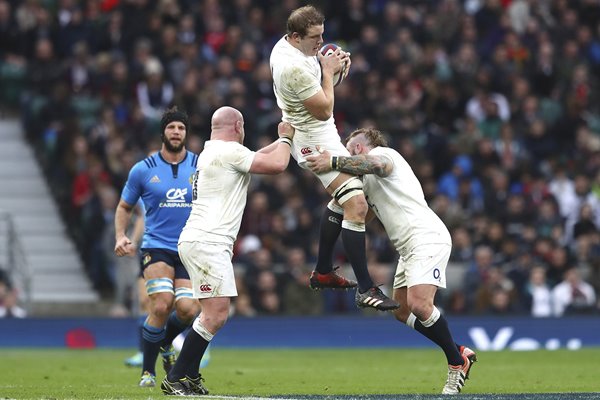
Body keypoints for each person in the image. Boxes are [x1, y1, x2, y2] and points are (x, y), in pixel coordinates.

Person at [306, 127, 477, 394]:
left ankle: (456, 363)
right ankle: (458, 351)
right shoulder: (368, 186)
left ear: (360, 148)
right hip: (408, 248)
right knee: (402, 311)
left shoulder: (384, 155)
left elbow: (376, 163)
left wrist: (334, 162)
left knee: (421, 305)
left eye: (351, 148)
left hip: (426, 237)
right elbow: (360, 218)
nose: (348, 152)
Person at [269, 5, 398, 311]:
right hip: (312, 140)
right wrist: (329, 71)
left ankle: (323, 270)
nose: (320, 42)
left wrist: (336, 71)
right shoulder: (291, 67)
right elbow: (325, 107)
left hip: (321, 131)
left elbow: (321, 90)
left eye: (322, 34)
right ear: (296, 36)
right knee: (356, 203)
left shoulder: (295, 50)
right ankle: (366, 288)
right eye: (315, 37)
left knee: (352, 197)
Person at [160, 106, 295, 396]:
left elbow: (259, 154)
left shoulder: (212, 152)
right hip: (209, 241)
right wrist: (285, 138)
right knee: (216, 315)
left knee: (211, 312)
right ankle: (176, 377)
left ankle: (190, 375)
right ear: (238, 126)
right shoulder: (229, 153)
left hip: (198, 240)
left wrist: (284, 139)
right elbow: (277, 165)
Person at [114, 106, 201, 388]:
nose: (176, 132)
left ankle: (164, 344)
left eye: (181, 128)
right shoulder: (143, 169)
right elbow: (125, 206)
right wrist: (120, 236)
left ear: (186, 134)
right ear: (163, 132)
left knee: (188, 309)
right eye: (171, 127)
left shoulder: (201, 166)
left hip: (189, 248)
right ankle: (148, 371)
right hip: (157, 247)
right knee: (162, 304)